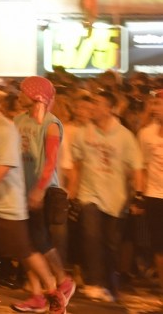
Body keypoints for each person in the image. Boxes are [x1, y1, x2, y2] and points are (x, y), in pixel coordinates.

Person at [0, 85, 66, 314]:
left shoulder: (5, 128)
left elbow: (5, 164)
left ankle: (53, 293)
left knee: (26, 252)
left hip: (7, 205)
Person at [68, 89, 145, 303]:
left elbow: (137, 167)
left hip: (116, 199)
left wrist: (138, 195)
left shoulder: (124, 136)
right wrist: (72, 193)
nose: (92, 107)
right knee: (91, 237)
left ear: (110, 109)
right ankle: (94, 282)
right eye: (92, 103)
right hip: (89, 195)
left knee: (111, 245)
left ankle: (110, 284)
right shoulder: (83, 132)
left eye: (98, 103)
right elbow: (76, 164)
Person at [12, 76, 76, 313]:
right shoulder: (17, 120)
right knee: (27, 245)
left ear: (35, 95)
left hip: (43, 190)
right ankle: (37, 293)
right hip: (21, 190)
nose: (18, 95)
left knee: (39, 241)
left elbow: (51, 161)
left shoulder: (50, 124)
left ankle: (63, 280)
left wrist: (39, 189)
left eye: (23, 91)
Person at [138, 90, 163, 300]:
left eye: (160, 104)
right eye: (154, 104)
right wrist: (140, 194)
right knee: (159, 245)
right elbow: (143, 166)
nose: (156, 109)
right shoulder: (146, 134)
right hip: (155, 195)